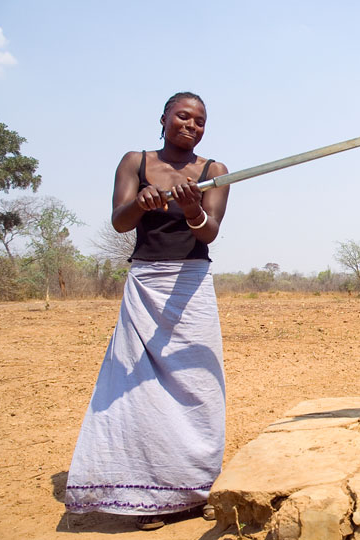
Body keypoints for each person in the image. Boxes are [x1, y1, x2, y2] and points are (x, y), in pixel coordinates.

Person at [65, 92, 231, 530]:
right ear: (163, 117)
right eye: (183, 116)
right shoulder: (134, 162)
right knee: (138, 387)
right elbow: (120, 220)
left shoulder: (214, 172)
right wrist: (143, 201)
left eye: (200, 120)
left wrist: (193, 205)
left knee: (199, 386)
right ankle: (146, 497)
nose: (191, 125)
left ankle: (195, 487)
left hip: (191, 286)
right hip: (146, 283)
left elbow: (209, 233)